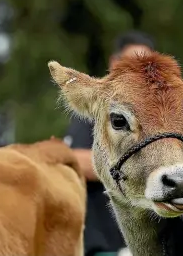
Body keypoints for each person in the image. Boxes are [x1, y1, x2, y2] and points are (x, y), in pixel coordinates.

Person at [63, 31, 156, 256]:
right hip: (105, 243)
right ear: (114, 64)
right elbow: (75, 160)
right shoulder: (98, 108)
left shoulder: (158, 114)